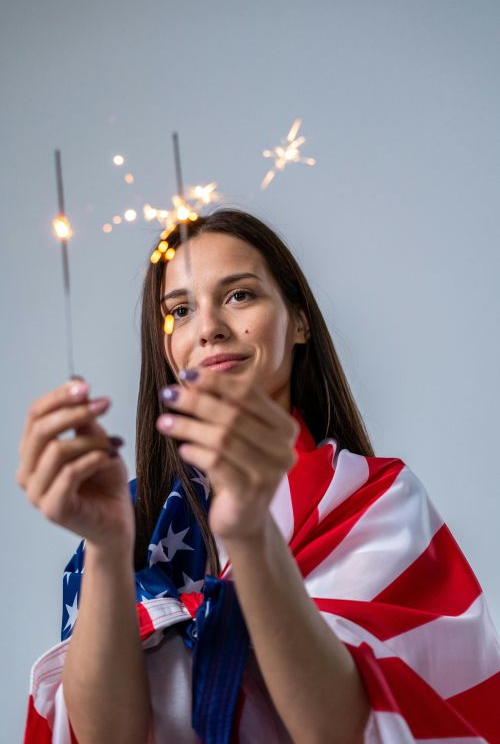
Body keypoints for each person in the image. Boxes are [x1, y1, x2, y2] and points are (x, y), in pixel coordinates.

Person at [19, 209, 500, 744]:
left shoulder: (374, 499)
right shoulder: (134, 516)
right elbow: (106, 737)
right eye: (180, 310)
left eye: (239, 295)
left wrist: (249, 535)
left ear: (299, 321)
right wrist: (107, 545)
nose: (209, 329)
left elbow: (341, 729)